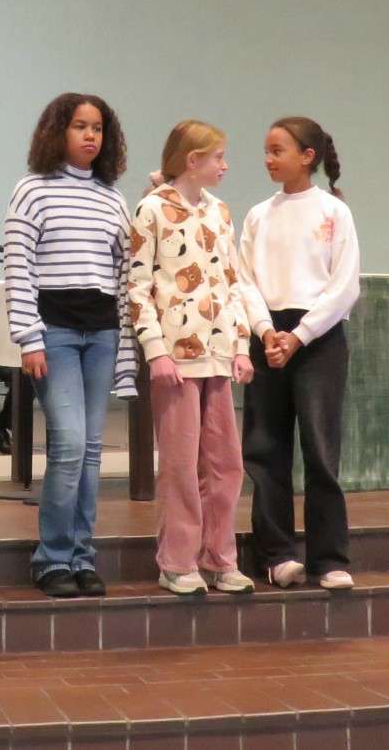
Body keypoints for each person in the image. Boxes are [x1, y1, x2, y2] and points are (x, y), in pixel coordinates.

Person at [4, 94, 133, 599]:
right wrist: (28, 337)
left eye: (97, 128)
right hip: (53, 334)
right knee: (70, 444)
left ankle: (82, 556)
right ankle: (52, 558)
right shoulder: (31, 191)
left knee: (93, 450)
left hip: (101, 334)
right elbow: (18, 268)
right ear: (57, 132)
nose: (89, 136)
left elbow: (125, 271)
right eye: (79, 126)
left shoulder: (113, 198)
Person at [234, 117, 361, 591]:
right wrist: (267, 330)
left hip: (318, 338)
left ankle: (329, 557)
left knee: (321, 449)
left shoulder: (333, 211)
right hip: (268, 336)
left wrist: (300, 334)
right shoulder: (257, 215)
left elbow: (344, 285)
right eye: (265, 151)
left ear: (308, 156)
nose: (268, 159)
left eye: (277, 150)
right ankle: (278, 553)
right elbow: (243, 279)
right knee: (266, 447)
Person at [129, 120, 255, 596]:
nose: (225, 165)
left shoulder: (221, 213)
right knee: (181, 464)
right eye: (217, 157)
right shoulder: (152, 210)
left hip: (220, 355)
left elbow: (233, 283)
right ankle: (177, 561)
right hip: (176, 363)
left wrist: (241, 346)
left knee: (225, 464)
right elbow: (138, 288)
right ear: (191, 160)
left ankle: (221, 557)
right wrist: (156, 351)